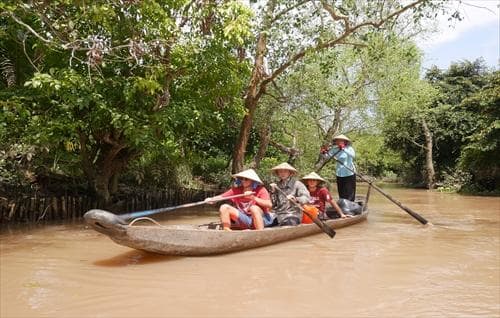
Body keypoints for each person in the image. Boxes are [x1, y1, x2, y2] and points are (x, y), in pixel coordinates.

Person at [204, 169, 273, 231]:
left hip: (262, 220)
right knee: (224, 207)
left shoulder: (261, 190)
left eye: (246, 179)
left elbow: (269, 205)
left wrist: (253, 198)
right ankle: (227, 230)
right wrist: (211, 199)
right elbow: (221, 197)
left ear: (252, 181)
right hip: (245, 219)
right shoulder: (236, 190)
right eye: (242, 179)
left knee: (254, 208)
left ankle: (260, 232)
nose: (243, 181)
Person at [322, 134, 356, 201]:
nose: (339, 142)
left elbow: (353, 156)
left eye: (341, 140)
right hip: (339, 172)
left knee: (349, 190)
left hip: (349, 172)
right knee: (341, 190)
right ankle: (342, 204)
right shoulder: (335, 149)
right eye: (338, 141)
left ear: (345, 141)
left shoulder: (349, 148)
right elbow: (327, 157)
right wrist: (324, 153)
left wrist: (343, 149)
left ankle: (350, 204)